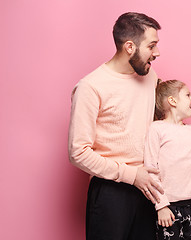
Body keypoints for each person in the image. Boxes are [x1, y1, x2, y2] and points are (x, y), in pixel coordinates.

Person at [68, 12, 163, 240]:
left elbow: (162, 122)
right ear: (130, 46)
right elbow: (77, 152)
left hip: (148, 187)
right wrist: (131, 175)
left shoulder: (150, 77)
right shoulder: (90, 87)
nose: (157, 53)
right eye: (152, 46)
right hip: (111, 191)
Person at [144, 80, 191, 240]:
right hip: (168, 207)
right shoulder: (156, 129)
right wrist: (161, 206)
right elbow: (150, 169)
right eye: (188, 95)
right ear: (172, 101)